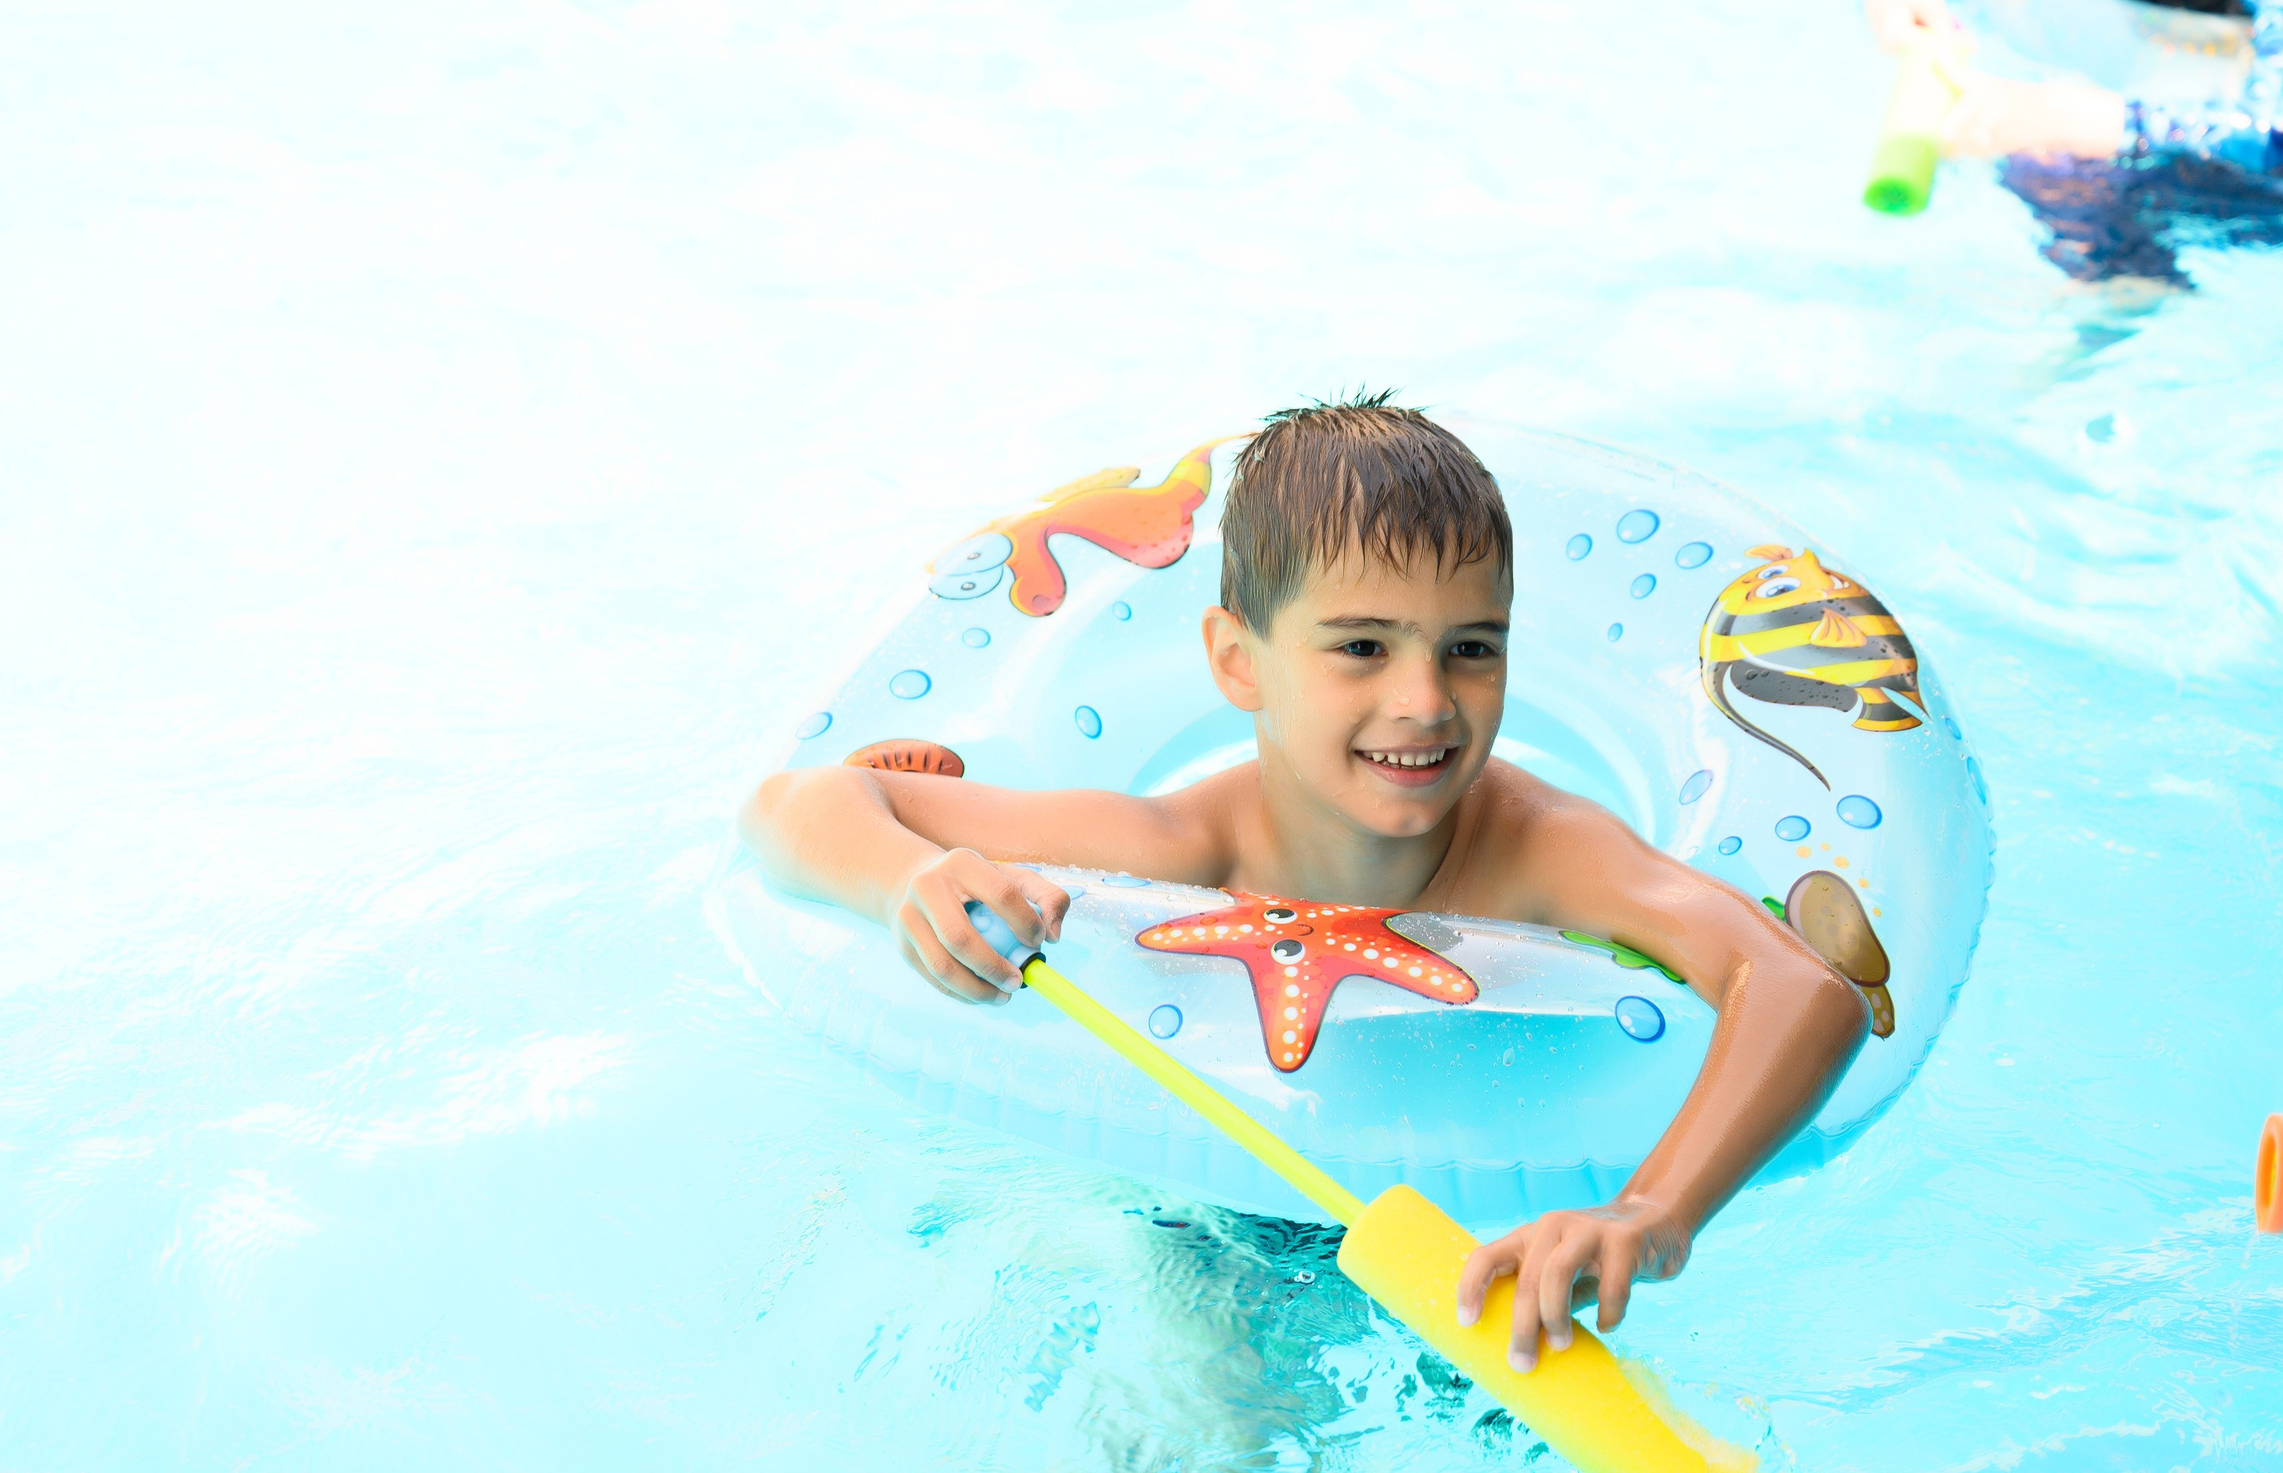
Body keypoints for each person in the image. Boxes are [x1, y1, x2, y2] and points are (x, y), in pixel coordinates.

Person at [740, 400, 1869, 1374]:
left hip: (1467, 1191)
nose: (1426, 700)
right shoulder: (1178, 844)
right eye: (1362, 648)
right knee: (1188, 1364)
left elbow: (1801, 987)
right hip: (1207, 1192)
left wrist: (1649, 1211)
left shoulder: (1539, 848)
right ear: (1237, 661)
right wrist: (911, 879)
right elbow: (796, 805)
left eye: (1471, 647)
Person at [1869, 0, 2283, 283]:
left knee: (2060, 158)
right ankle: (2118, 281)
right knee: (2049, 164)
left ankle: (2123, 291)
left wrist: (2082, 120)